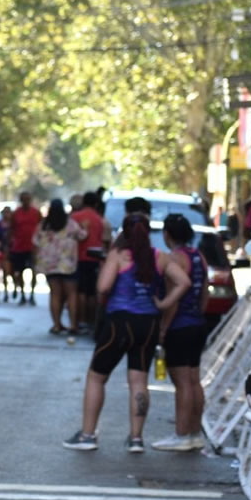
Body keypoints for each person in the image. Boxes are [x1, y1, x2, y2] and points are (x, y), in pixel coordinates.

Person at [62, 214, 188, 452]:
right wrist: (162, 303)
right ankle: (136, 438)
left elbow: (103, 287)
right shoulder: (158, 257)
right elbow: (184, 282)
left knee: (97, 377)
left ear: (125, 232)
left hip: (119, 322)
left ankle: (88, 435)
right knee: (139, 380)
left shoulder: (119, 256)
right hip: (148, 323)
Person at [154, 214, 208, 451]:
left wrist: (164, 328)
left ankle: (181, 434)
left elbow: (172, 299)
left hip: (179, 325)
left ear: (167, 234)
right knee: (194, 381)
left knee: (182, 383)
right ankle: (195, 432)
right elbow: (205, 290)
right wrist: (198, 313)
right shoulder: (198, 256)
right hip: (197, 322)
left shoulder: (173, 259)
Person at [33, 197, 86, 335]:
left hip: (49, 265)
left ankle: (57, 325)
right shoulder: (70, 224)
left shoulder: (43, 225)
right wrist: (85, 228)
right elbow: (82, 236)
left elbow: (35, 242)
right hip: (68, 264)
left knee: (55, 294)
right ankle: (73, 325)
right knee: (71, 294)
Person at [70, 192, 108, 332]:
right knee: (91, 293)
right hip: (94, 259)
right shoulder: (100, 220)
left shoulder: (74, 217)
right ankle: (91, 321)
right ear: (96, 204)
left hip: (78, 259)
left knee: (80, 291)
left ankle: (80, 320)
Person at [9, 192, 42, 304]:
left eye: (28, 199)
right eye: (24, 199)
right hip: (19, 247)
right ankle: (22, 294)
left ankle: (32, 294)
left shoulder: (36, 213)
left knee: (33, 271)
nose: (26, 201)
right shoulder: (16, 214)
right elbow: (11, 229)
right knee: (19, 272)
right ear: (21, 200)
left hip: (33, 248)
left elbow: (42, 228)